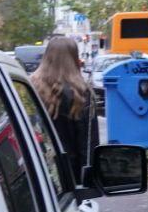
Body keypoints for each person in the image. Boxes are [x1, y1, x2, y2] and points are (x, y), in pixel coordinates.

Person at [30, 36, 97, 183]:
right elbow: (88, 145)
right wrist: (88, 183)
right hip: (68, 179)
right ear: (74, 58)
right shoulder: (80, 93)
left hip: (34, 175)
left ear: (47, 56)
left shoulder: (28, 88)